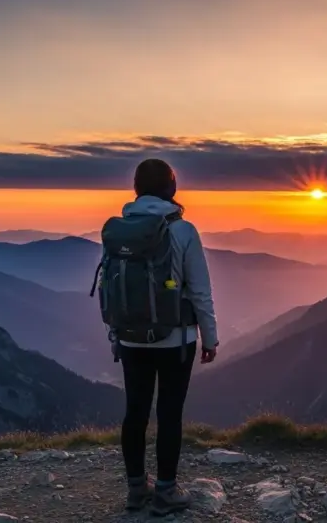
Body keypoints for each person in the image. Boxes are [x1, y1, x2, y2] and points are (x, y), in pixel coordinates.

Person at [104, 158, 219, 515]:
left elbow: (115, 287)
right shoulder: (183, 230)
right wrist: (209, 337)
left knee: (135, 411)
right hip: (174, 339)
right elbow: (199, 290)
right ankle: (166, 491)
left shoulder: (119, 229)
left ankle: (137, 490)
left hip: (130, 337)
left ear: (136, 189)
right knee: (170, 412)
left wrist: (116, 334)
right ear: (172, 189)